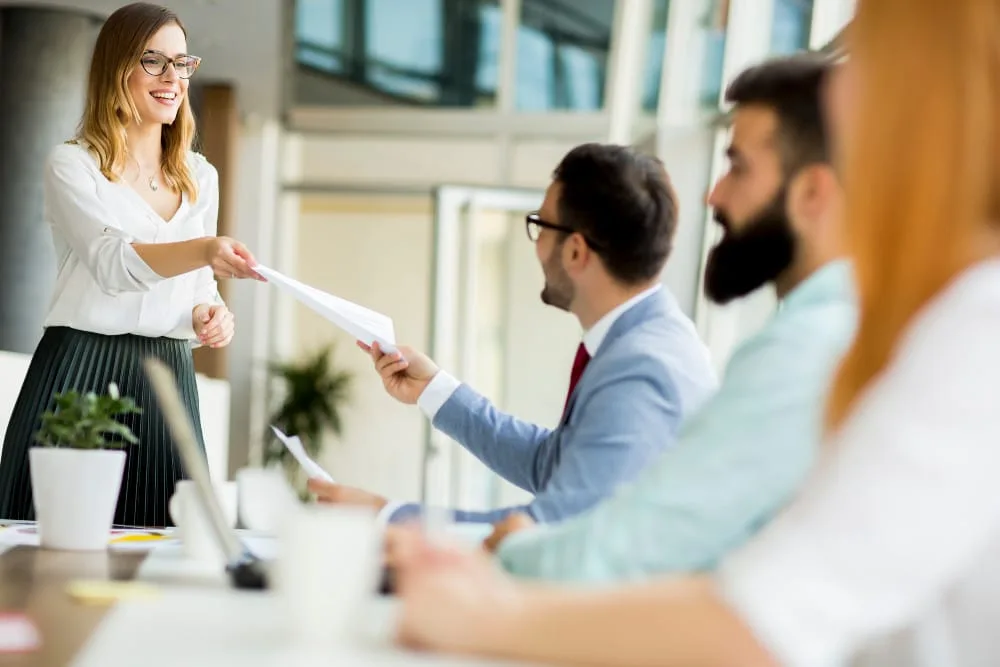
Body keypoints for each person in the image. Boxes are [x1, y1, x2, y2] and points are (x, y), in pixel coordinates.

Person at [392, 1, 1000, 665]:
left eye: (738, 164)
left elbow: (733, 597)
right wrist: (439, 399)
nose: (711, 194)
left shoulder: (882, 335)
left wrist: (486, 589)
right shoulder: (899, 325)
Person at [486, 54, 857, 582]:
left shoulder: (803, 351)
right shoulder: (830, 334)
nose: (713, 194)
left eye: (739, 166)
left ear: (813, 193)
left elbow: (647, 543)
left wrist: (519, 549)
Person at [310, 143, 717, 525]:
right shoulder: (641, 341)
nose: (537, 244)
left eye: (540, 226)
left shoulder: (641, 370)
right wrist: (433, 389)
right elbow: (553, 465)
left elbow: (558, 526)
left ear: (576, 251)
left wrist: (386, 516)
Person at [0, 2, 263, 528]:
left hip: (168, 376)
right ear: (116, 67)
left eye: (182, 63)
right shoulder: (73, 164)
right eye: (153, 61)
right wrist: (205, 251)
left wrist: (209, 313)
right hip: (78, 370)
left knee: (165, 541)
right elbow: (112, 264)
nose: (173, 78)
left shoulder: (199, 176)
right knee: (47, 544)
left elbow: (197, 287)